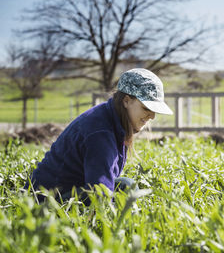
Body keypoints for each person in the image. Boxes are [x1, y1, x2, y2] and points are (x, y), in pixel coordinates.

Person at [24, 68, 173, 203]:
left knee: (125, 186)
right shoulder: (101, 132)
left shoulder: (110, 118)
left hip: (67, 190)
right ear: (127, 101)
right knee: (126, 190)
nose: (152, 116)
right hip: (45, 202)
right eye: (147, 108)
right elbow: (100, 193)